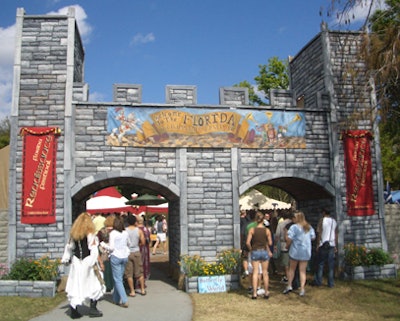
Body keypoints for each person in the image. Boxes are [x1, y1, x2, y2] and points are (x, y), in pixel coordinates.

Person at [61, 212, 105, 319]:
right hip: (87, 262)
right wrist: (95, 262)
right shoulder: (90, 234)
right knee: (95, 283)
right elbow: (93, 249)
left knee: (76, 284)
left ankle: (74, 310)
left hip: (77, 262)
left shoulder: (74, 234)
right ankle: (93, 309)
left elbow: (69, 247)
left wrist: (66, 259)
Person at [283, 211, 315, 297]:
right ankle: (302, 289)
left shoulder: (294, 227)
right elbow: (313, 237)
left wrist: (287, 246)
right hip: (305, 251)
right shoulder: (308, 227)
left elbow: (289, 238)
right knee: (302, 271)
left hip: (295, 250)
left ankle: (289, 285)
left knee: (292, 269)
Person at [100, 215, 131, 308]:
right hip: (124, 256)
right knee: (119, 278)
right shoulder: (125, 232)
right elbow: (129, 243)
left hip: (116, 256)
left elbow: (112, 247)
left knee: (117, 279)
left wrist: (103, 245)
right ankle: (116, 299)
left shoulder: (113, 233)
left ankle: (124, 299)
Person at [246, 211, 273, 300]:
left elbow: (247, 242)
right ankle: (266, 292)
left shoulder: (252, 230)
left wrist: (251, 249)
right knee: (265, 273)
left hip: (255, 251)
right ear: (263, 220)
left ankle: (254, 293)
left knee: (255, 272)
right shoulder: (267, 230)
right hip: (264, 251)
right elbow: (270, 242)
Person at [313, 209, 338, 287]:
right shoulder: (334, 221)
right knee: (330, 265)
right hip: (331, 243)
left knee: (320, 264)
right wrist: (335, 245)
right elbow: (336, 234)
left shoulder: (322, 221)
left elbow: (319, 232)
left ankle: (319, 281)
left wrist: (317, 244)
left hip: (323, 243)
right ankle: (331, 283)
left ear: (323, 213)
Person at [125, 214, 146, 297]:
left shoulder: (125, 231)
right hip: (136, 251)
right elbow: (143, 242)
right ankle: (142, 289)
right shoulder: (139, 231)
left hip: (128, 252)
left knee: (129, 273)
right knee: (139, 272)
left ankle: (132, 291)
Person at [274, 211, 293, 283]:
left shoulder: (281, 224)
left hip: (284, 244)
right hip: (293, 244)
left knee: (286, 263)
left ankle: (287, 277)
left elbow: (277, 236)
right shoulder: (293, 223)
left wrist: (275, 244)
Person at [137, 214, 151, 282]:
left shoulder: (137, 229)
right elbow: (149, 240)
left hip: (139, 247)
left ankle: (139, 277)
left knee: (139, 262)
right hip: (145, 247)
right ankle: (145, 274)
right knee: (145, 261)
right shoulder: (146, 229)